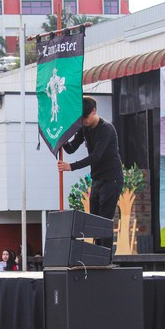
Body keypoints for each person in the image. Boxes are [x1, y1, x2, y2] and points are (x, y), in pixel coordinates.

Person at [57, 96, 124, 248]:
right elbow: (72, 148)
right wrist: (63, 140)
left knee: (104, 220)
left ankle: (105, 255)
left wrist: (71, 167)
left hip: (112, 179)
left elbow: (96, 156)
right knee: (94, 220)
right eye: (81, 118)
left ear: (94, 111)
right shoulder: (84, 127)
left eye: (86, 117)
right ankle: (96, 252)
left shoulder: (106, 128)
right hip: (97, 180)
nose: (84, 121)